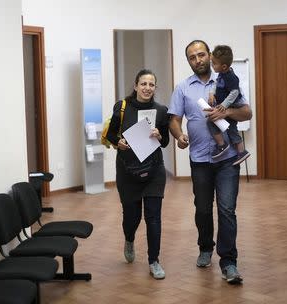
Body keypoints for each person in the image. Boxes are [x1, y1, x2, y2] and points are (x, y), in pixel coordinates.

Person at [168, 40, 252, 284]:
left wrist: (226, 112)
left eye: (201, 54)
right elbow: (174, 119)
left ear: (210, 55)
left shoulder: (225, 79)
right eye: (192, 57)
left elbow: (247, 113)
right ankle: (205, 247)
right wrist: (179, 135)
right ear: (189, 62)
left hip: (227, 160)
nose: (198, 60)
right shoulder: (183, 88)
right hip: (200, 159)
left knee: (226, 209)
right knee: (203, 209)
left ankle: (229, 262)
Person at [106, 69, 170, 280]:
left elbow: (166, 142)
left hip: (154, 170)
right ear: (135, 86)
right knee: (131, 218)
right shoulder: (123, 107)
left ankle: (154, 261)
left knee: (153, 217)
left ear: (155, 88)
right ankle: (129, 238)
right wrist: (119, 143)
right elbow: (110, 134)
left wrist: (159, 135)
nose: (147, 88)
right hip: (128, 171)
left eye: (151, 85)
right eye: (143, 84)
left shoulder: (161, 110)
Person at [207, 45, 250, 165]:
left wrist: (225, 106)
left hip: (234, 105)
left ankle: (223, 146)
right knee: (229, 127)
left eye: (214, 63)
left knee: (218, 123)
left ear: (224, 66)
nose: (212, 65)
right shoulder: (221, 73)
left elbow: (235, 92)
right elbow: (217, 83)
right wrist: (212, 93)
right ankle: (239, 150)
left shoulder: (231, 77)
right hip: (224, 105)